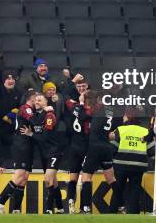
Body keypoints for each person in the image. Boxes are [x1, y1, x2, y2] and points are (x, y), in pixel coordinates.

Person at [0, 90, 38, 214]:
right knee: (19, 176)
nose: (38, 101)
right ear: (31, 98)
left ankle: (16, 209)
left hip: (28, 145)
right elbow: (34, 121)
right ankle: (0, 203)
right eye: (37, 98)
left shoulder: (31, 110)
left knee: (24, 178)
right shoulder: (25, 108)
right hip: (22, 145)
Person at [20, 92, 63, 214]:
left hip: (54, 152)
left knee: (48, 179)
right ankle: (60, 207)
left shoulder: (49, 116)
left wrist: (31, 134)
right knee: (53, 182)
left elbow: (45, 137)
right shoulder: (37, 115)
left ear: (46, 103)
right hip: (44, 153)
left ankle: (48, 209)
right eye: (35, 100)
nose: (36, 102)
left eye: (39, 100)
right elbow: (35, 122)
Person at [79, 90, 120, 214]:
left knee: (86, 177)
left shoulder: (97, 109)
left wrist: (81, 103)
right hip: (107, 147)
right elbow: (115, 129)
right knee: (111, 178)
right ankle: (121, 204)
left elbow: (82, 117)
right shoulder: (112, 110)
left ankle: (85, 208)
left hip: (95, 147)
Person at [108, 110, 152, 214]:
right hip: (138, 166)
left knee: (117, 189)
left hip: (121, 165)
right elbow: (151, 150)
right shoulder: (145, 131)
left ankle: (112, 212)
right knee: (135, 190)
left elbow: (112, 148)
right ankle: (134, 214)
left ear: (127, 117)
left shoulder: (120, 129)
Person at [63, 74, 89, 214]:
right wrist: (81, 102)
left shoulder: (91, 102)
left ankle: (84, 206)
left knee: (85, 177)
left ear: (87, 86)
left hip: (87, 143)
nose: (81, 89)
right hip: (76, 143)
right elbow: (65, 94)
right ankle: (72, 203)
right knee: (73, 176)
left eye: (83, 86)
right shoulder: (73, 103)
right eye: (78, 86)